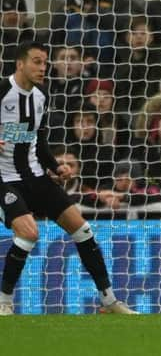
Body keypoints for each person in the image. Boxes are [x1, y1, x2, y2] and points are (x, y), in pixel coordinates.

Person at [0, 41, 136, 315]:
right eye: (37, 62)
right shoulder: (3, 91)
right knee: (28, 233)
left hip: (36, 176)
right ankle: (3, 301)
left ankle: (109, 301)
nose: (42, 68)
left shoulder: (41, 95)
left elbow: (38, 139)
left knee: (82, 230)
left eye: (45, 63)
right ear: (20, 64)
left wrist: (55, 166)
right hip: (4, 179)